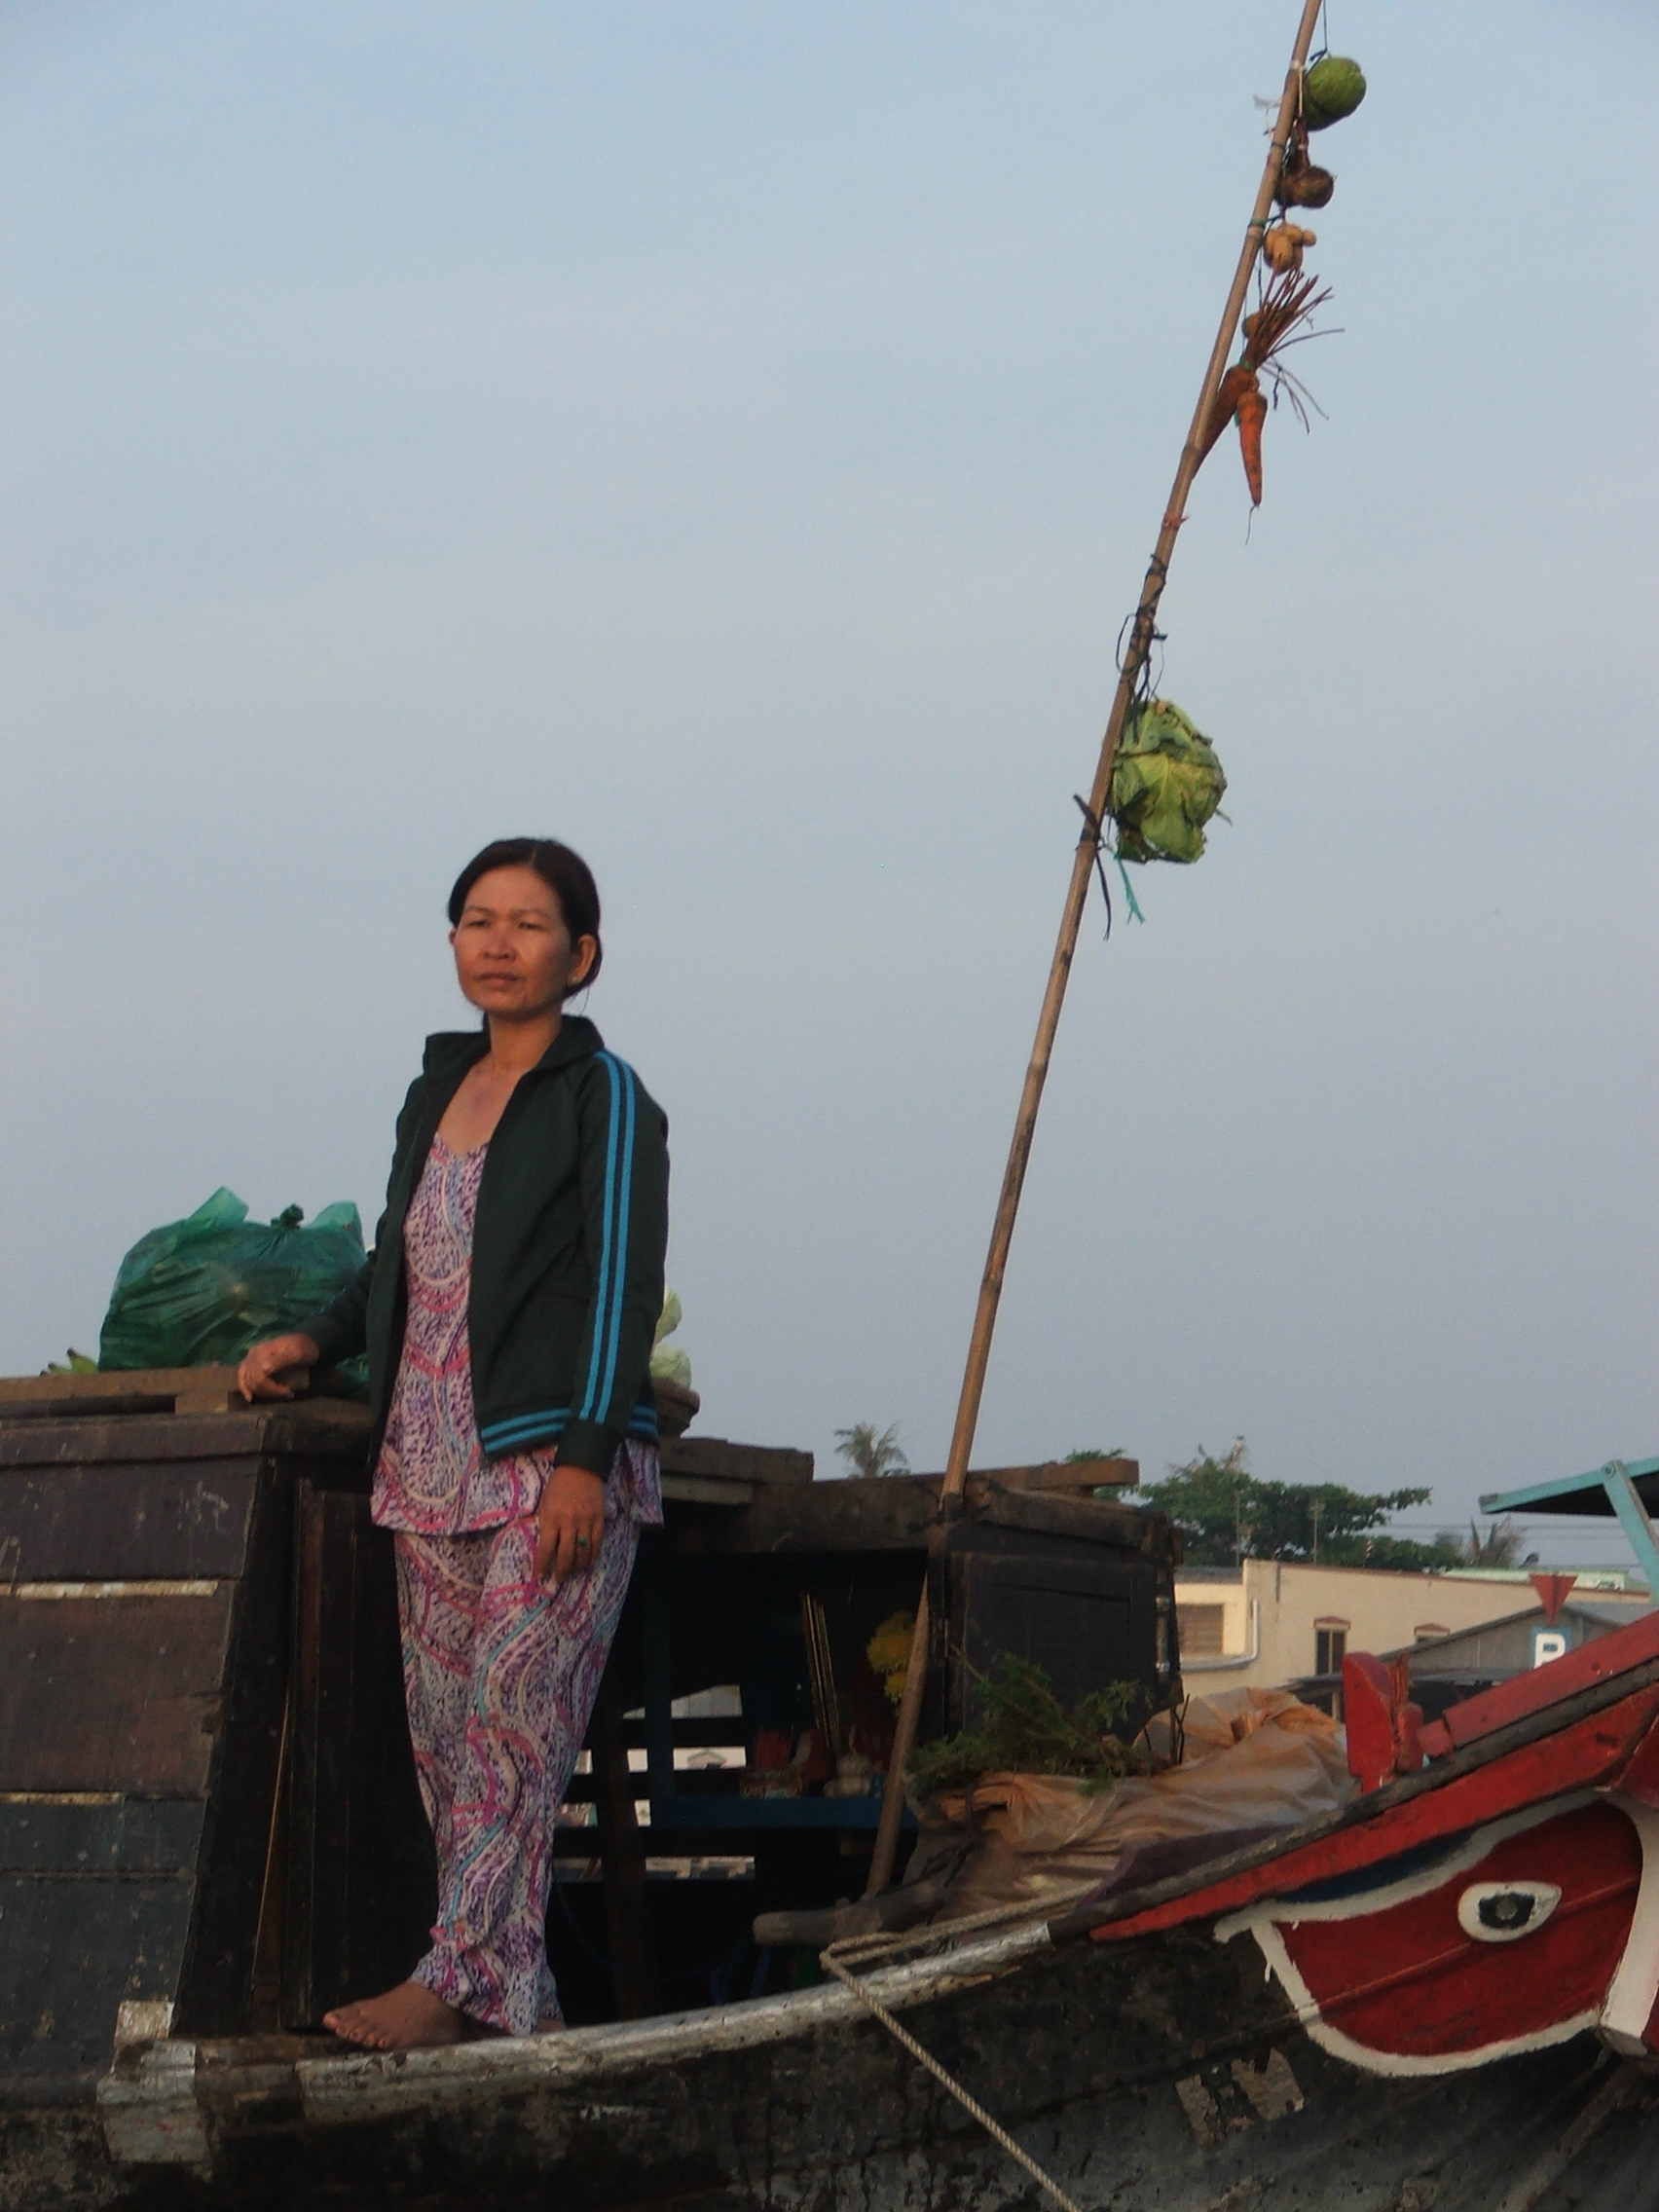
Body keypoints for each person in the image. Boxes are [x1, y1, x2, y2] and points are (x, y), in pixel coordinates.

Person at [238, 836, 669, 2050]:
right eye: (478, 920)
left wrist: (585, 1455)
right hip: (426, 1467)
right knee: (446, 1747)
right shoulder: (435, 1092)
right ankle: (522, 2015)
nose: (499, 943)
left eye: (528, 924)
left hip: (547, 1466)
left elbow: (623, 1287)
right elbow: (400, 1255)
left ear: (581, 954)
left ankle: (456, 1983)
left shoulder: (604, 1095)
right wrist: (316, 1341)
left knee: (512, 1729)